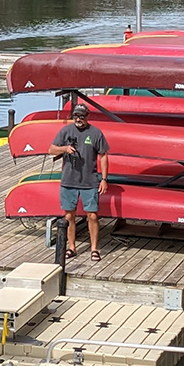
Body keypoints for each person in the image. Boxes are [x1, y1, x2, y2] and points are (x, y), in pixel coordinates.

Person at [48, 103, 109, 260]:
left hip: (90, 180)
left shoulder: (96, 133)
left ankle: (94, 248)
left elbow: (103, 156)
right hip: (69, 179)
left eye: (81, 116)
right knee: (69, 216)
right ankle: (72, 247)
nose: (78, 119)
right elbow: (51, 149)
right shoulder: (66, 131)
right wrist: (64, 149)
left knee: (93, 215)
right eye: (76, 116)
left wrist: (104, 179)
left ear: (87, 117)